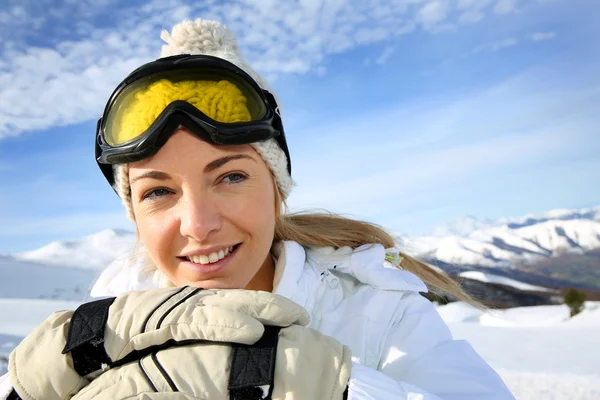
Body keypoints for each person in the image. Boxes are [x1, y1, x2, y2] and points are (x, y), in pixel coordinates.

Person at [0, 19, 515, 399]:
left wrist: (317, 384)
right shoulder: (107, 320)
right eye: (158, 191)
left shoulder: (377, 311)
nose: (199, 224)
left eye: (230, 177)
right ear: (134, 213)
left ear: (277, 188)